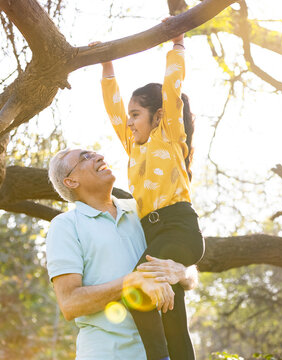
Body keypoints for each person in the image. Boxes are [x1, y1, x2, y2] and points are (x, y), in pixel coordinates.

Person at [99, 25, 204, 360]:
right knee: (172, 313)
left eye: (136, 115)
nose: (129, 122)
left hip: (178, 228)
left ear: (157, 116)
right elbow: (114, 109)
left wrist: (177, 44)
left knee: (136, 288)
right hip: (155, 233)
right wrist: (107, 65)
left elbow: (172, 88)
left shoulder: (169, 136)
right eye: (129, 116)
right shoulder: (134, 146)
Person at [46, 148, 198, 360]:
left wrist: (181, 271)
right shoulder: (65, 226)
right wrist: (132, 282)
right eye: (85, 158)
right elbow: (70, 303)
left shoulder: (142, 209)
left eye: (95, 153)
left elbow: (191, 274)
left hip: (163, 353)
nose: (99, 156)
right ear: (70, 181)